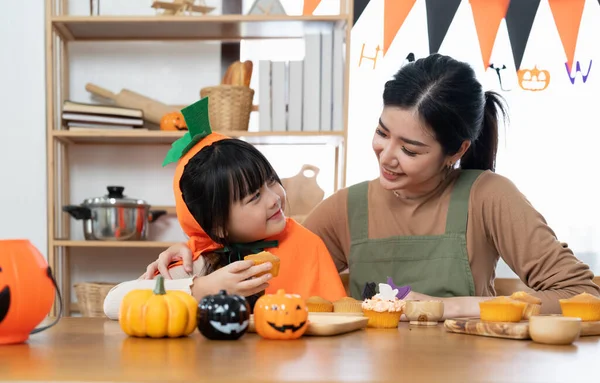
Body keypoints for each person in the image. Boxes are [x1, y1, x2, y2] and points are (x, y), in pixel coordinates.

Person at [142, 53, 599, 318]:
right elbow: (269, 249)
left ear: (456, 150)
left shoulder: (489, 196)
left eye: (411, 148)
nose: (386, 155)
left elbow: (586, 298)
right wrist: (195, 250)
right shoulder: (348, 207)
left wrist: (451, 307)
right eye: (382, 133)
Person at [103, 98, 346, 319]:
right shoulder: (196, 259)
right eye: (254, 197)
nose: (274, 198)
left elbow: (335, 319)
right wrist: (202, 288)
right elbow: (113, 303)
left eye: (271, 180)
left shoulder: (306, 244)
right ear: (218, 224)